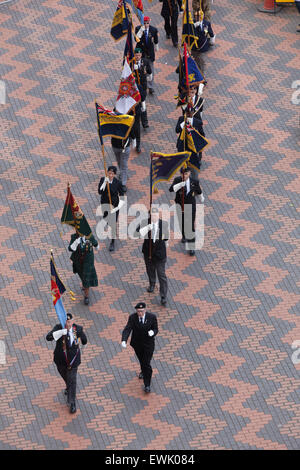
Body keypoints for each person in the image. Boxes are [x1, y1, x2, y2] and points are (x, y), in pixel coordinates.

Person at [46, 313, 87, 414]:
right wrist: (61, 332)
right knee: (65, 376)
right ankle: (68, 386)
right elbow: (48, 337)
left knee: (72, 380)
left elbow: (84, 341)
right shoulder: (59, 327)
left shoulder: (78, 329)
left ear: (72, 321)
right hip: (61, 360)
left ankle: (72, 403)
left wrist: (82, 344)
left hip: (73, 361)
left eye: (69, 322)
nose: (67, 324)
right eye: (66, 322)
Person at [121, 302, 158, 393]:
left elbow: (156, 328)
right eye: (138, 311)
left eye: (141, 311)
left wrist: (153, 332)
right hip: (137, 344)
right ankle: (143, 371)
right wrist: (124, 340)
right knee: (142, 360)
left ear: (145, 310)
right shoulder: (133, 318)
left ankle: (147, 384)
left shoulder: (151, 317)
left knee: (146, 364)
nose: (140, 313)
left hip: (148, 345)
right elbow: (128, 328)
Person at [136, 207, 169, 306]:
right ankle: (152, 283)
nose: (154, 217)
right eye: (153, 215)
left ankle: (163, 295)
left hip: (159, 255)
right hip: (148, 252)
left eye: (156, 215)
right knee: (150, 269)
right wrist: (147, 228)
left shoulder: (163, 224)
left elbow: (166, 237)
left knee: (161, 274)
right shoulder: (145, 223)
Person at [169, 166, 204, 256]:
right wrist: (180, 185)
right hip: (180, 205)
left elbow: (199, 191)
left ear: (189, 173)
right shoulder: (177, 180)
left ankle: (191, 247)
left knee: (190, 226)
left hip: (190, 206)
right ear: (180, 174)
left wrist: (201, 198)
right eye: (183, 174)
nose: (184, 175)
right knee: (182, 223)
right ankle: (184, 235)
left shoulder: (194, 182)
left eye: (186, 173)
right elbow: (171, 189)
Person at [98, 166, 125, 252]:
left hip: (114, 206)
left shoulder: (118, 183)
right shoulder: (103, 180)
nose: (110, 175)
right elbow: (100, 192)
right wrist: (104, 183)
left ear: (114, 174)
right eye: (109, 173)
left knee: (113, 224)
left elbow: (121, 195)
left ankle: (112, 242)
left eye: (112, 174)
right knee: (106, 217)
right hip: (105, 204)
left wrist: (119, 206)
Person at [68, 232, 99, 305]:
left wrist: (94, 244)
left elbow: (97, 246)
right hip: (78, 261)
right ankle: (84, 285)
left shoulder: (90, 237)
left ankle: (86, 296)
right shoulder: (74, 237)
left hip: (88, 263)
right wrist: (76, 242)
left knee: (86, 278)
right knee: (81, 274)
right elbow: (70, 249)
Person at [175, 109, 206, 178]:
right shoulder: (181, 119)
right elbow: (177, 130)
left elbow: (202, 135)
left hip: (193, 149)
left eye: (190, 113)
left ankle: (194, 182)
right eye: (187, 113)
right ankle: (184, 180)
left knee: (194, 168)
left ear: (193, 113)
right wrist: (183, 123)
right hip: (183, 147)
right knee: (183, 168)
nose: (189, 114)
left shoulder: (197, 122)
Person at [135, 16, 158, 94]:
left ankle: (150, 87)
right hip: (141, 53)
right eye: (144, 23)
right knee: (139, 68)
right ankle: (139, 85)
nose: (146, 24)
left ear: (149, 22)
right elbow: (136, 39)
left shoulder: (153, 29)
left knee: (150, 69)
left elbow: (155, 40)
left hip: (150, 54)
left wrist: (156, 45)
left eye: (147, 23)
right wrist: (141, 31)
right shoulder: (138, 29)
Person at [133, 47, 152, 129]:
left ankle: (145, 122)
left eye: (139, 55)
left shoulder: (145, 61)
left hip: (143, 87)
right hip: (134, 87)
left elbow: (149, 71)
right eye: (136, 55)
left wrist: (148, 78)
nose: (137, 57)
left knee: (143, 104)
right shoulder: (131, 63)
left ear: (141, 55)